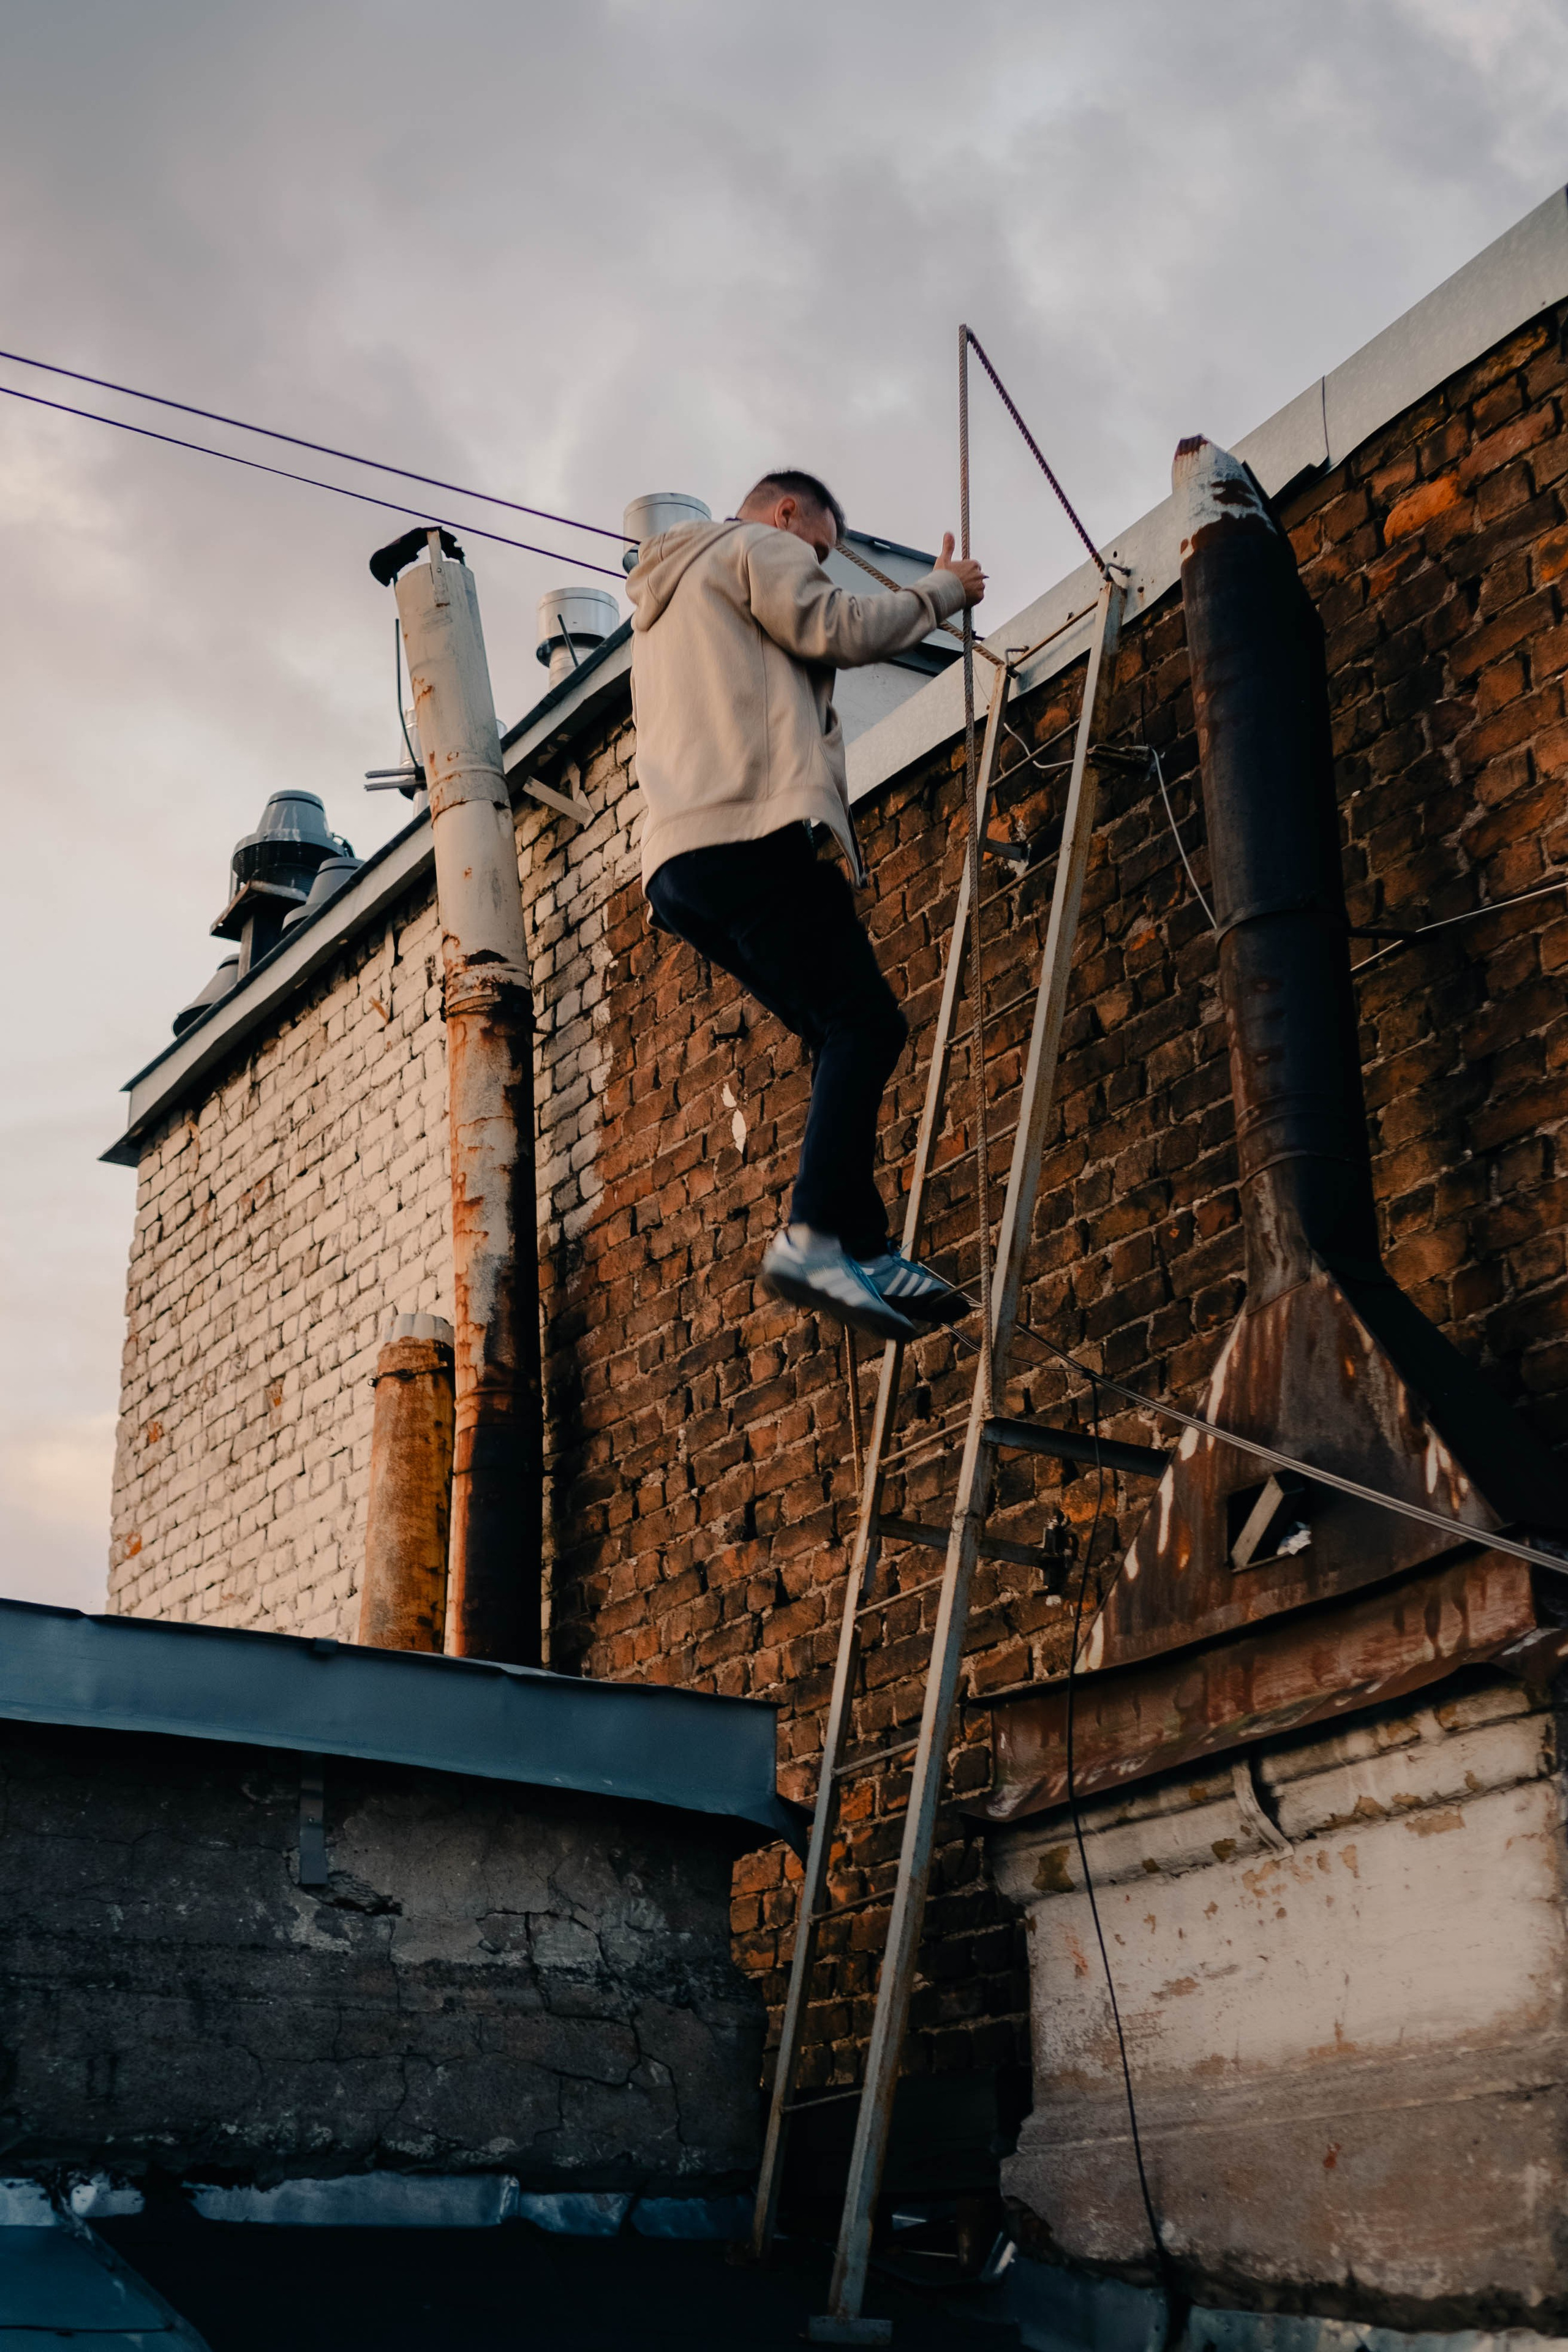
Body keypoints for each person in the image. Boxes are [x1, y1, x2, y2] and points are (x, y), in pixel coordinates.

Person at [626, 469, 987, 1344]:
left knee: (838, 1030)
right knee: (867, 1023)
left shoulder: (662, 611)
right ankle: (814, 1236)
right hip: (749, 836)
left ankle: (862, 1244)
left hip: (680, 869)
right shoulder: (756, 544)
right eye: (820, 549)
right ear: (788, 513)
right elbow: (840, 628)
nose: (817, 566)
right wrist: (944, 592)